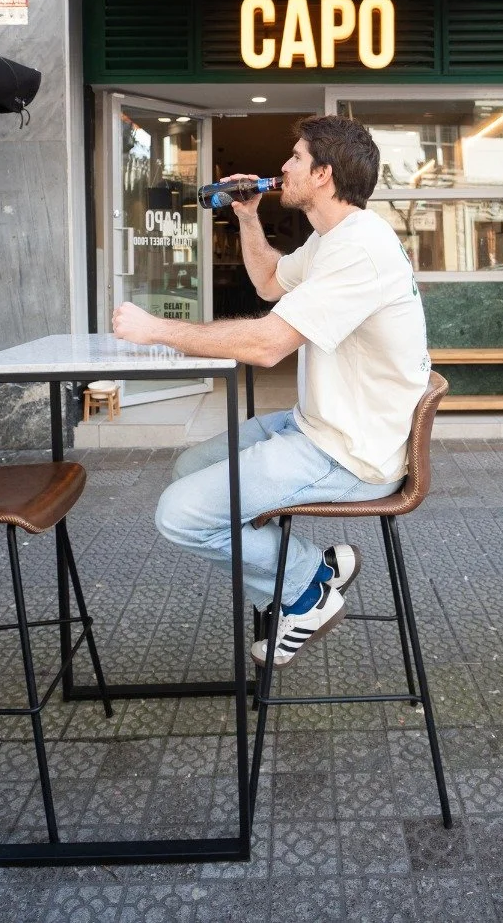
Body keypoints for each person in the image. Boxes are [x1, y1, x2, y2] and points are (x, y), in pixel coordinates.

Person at [112, 114, 430, 668]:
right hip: (319, 425)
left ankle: (306, 590)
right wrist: (247, 215)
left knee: (179, 515)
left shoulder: (360, 250)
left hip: (350, 453)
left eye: (297, 158)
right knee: (191, 467)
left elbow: (265, 346)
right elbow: (268, 282)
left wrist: (157, 329)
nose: (283, 166)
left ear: (324, 175)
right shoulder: (335, 236)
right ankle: (318, 568)